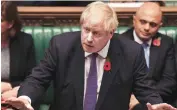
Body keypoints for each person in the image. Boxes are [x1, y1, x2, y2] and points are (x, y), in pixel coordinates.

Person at [3, 1, 177, 110]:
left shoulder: (130, 52)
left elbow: (145, 88)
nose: (88, 38)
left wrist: (155, 104)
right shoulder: (61, 45)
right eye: (85, 29)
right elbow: (38, 78)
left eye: (96, 33)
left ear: (111, 33)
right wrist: (25, 98)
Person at [119, 2, 177, 110]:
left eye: (153, 24)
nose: (147, 28)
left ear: (160, 26)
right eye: (143, 22)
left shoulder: (166, 43)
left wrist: (144, 100)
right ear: (134, 20)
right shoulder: (120, 42)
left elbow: (169, 81)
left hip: (156, 101)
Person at [1, 0, 36, 107]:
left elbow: (32, 78)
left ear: (10, 23)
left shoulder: (25, 42)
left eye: (0, 20)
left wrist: (10, 86)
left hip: (12, 96)